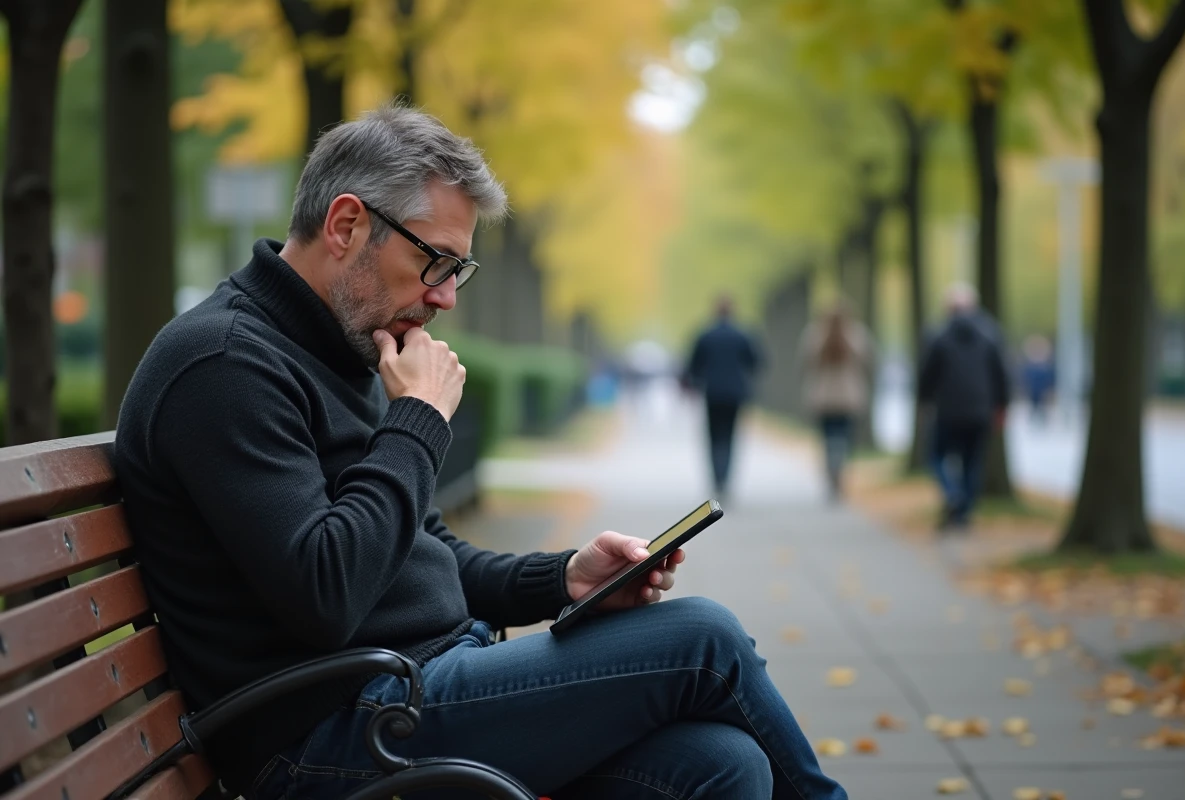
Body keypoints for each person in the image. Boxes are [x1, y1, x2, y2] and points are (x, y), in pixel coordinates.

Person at [113, 105, 845, 800]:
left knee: (722, 764)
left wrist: (564, 579)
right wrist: (418, 420)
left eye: (458, 271)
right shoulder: (223, 364)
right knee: (703, 638)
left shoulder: (342, 346)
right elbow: (326, 595)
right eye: (435, 261)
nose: (445, 298)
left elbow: (423, 554)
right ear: (346, 225)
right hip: (327, 733)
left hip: (410, 691)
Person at [917, 282, 1010, 531]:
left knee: (936, 456)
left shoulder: (938, 335)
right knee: (972, 463)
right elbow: (1002, 374)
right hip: (980, 411)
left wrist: (924, 401)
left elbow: (927, 375)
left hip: (948, 411)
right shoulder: (990, 334)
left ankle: (952, 493)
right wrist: (1002, 406)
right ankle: (964, 513)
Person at [682, 295, 763, 499]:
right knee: (729, 436)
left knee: (714, 436)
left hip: (712, 392)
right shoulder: (742, 335)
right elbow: (755, 361)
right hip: (735, 393)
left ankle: (717, 478)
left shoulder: (706, 335)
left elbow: (693, 364)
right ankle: (725, 478)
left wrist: (697, 381)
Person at [798, 300, 873, 502]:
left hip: (823, 397)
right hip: (848, 397)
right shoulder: (856, 334)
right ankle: (839, 474)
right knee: (844, 438)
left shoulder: (814, 334)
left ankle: (831, 475)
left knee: (828, 439)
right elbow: (867, 359)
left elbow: (806, 361)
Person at [1020, 334, 1055, 425]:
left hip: (1042, 391)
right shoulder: (1030, 366)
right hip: (1033, 391)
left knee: (1042, 407)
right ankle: (1034, 421)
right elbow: (1025, 379)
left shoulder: (1045, 367)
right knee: (1034, 407)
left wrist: (1049, 389)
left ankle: (1042, 421)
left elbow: (1049, 379)